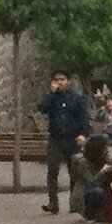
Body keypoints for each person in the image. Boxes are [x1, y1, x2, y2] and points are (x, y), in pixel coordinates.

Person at [37, 72, 91, 215]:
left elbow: (84, 118)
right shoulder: (51, 98)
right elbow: (42, 108)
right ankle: (53, 202)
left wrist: (83, 134)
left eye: (62, 79)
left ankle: (74, 202)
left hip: (72, 139)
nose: (59, 82)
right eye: (56, 80)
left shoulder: (76, 98)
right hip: (56, 139)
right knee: (52, 169)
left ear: (68, 82)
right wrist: (51, 93)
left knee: (73, 172)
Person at [79, 134, 112, 223]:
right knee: (96, 191)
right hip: (84, 191)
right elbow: (91, 183)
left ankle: (99, 212)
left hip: (99, 187)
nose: (106, 151)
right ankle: (89, 214)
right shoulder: (83, 162)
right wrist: (103, 171)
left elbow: (107, 181)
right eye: (104, 149)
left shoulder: (103, 158)